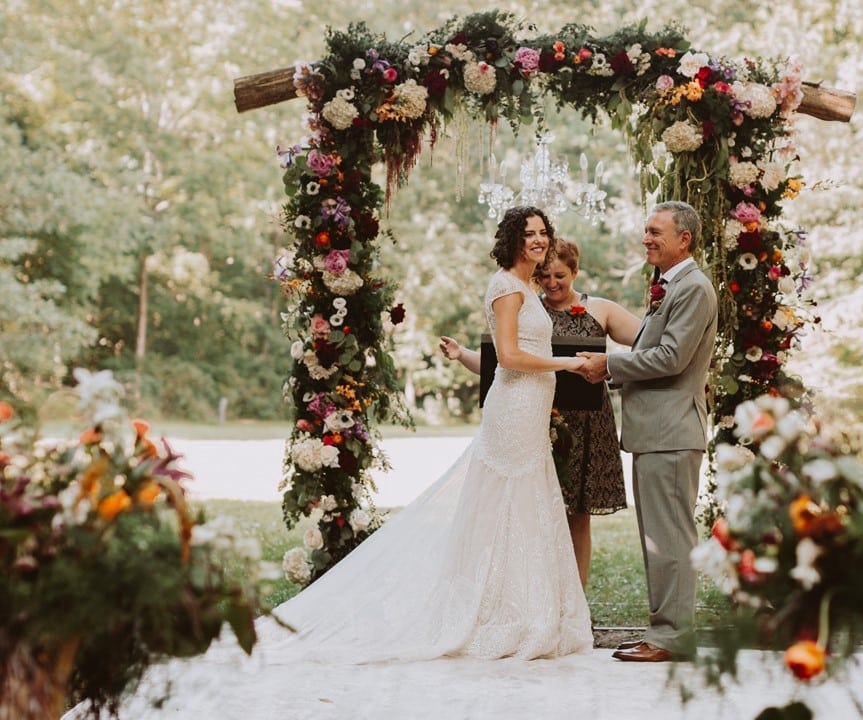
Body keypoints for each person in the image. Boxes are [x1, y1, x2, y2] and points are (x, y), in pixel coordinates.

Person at [67, 206, 593, 718]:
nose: (538, 240)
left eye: (543, 232)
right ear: (511, 239)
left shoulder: (529, 288)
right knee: (503, 500)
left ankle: (522, 611)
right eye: (528, 233)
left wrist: (542, 366)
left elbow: (513, 357)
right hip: (512, 410)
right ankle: (495, 615)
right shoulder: (505, 286)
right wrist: (570, 363)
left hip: (528, 410)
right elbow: (509, 357)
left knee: (525, 504)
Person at [439, 239, 640, 588]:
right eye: (544, 275)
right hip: (540, 423)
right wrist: (461, 354)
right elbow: (498, 364)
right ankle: (537, 591)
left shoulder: (601, 309)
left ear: (575, 272)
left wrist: (617, 370)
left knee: (578, 516)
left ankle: (575, 595)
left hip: (588, 426)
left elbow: (648, 342)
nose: (551, 282)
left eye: (560, 275)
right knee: (537, 512)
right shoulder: (526, 309)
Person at [579, 201, 718, 663]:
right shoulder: (669, 286)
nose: (647, 238)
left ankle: (672, 637)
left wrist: (609, 364)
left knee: (671, 539)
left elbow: (672, 357)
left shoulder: (694, 288)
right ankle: (662, 632)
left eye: (657, 232)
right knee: (659, 539)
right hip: (658, 433)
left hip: (673, 431)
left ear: (685, 239)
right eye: (646, 231)